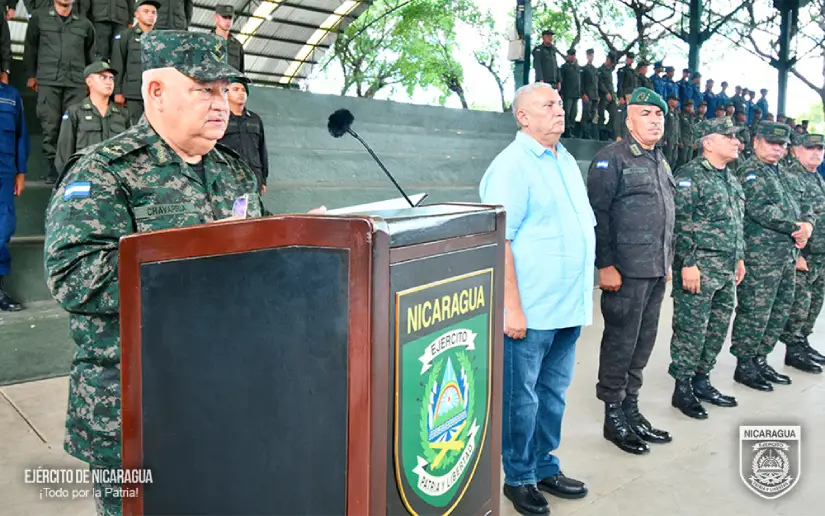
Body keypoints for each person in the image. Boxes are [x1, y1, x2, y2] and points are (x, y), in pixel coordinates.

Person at [44, 30, 324, 516]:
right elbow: (75, 275)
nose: (220, 103)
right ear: (156, 92)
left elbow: (258, 260)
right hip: (138, 409)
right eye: (203, 89)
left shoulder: (234, 171)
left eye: (224, 90)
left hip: (227, 398)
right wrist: (200, 257)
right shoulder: (107, 173)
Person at [479, 82, 593, 515]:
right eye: (548, 105)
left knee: (553, 394)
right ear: (523, 117)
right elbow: (498, 241)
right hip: (530, 308)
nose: (559, 111)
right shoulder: (512, 166)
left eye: (561, 104)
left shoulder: (563, 159)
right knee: (520, 400)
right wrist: (511, 306)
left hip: (567, 304)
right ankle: (520, 476)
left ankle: (545, 465)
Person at [587, 87, 675, 455]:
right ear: (629, 119)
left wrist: (667, 262)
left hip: (655, 270)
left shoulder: (660, 161)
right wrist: (605, 265)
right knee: (621, 342)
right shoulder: (612, 159)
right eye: (646, 114)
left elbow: (668, 217)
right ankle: (613, 414)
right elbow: (599, 215)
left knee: (643, 343)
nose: (654, 121)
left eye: (659, 115)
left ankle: (631, 407)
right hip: (624, 271)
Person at [669, 117, 746, 419]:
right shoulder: (690, 176)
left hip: (726, 268)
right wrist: (687, 263)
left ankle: (702, 380)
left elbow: (736, 223)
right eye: (728, 136)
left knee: (716, 328)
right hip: (699, 267)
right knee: (691, 328)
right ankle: (683, 387)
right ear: (709, 142)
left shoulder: (731, 178)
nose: (736, 142)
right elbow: (680, 222)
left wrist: (739, 257)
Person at [729, 121, 813, 391]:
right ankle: (745, 364)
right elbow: (758, 209)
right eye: (771, 143)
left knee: (778, 311)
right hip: (760, 257)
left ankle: (761, 359)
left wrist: (807, 225)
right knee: (755, 311)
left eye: (782, 145)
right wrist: (795, 227)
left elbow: (805, 205)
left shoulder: (786, 175)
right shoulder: (750, 172)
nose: (777, 149)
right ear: (756, 142)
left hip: (786, 256)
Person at [23, 0, 96, 183]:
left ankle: (71, 167)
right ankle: (53, 169)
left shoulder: (85, 23)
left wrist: (90, 80)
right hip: (49, 80)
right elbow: (30, 47)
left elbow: (91, 54)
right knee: (51, 124)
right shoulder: (39, 17)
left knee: (74, 126)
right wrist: (31, 75)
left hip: (76, 82)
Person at [780, 133, 825, 372]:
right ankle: (793, 348)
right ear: (796, 150)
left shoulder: (815, 177)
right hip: (803, 253)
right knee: (800, 302)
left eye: (820, 149)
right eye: (810, 149)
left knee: (814, 302)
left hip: (820, 252)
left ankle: (803, 340)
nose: (816, 153)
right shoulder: (790, 178)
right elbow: (789, 219)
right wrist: (796, 254)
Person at [55, 61, 131, 172]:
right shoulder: (75, 112)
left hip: (116, 180)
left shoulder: (123, 114)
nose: (109, 82)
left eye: (111, 78)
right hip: (84, 178)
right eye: (103, 77)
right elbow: (64, 155)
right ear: (89, 81)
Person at [0, 80, 29, 312]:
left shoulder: (11, 96)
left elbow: (21, 135)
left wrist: (21, 171)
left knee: (3, 229)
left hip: (5, 172)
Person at [111, 0, 160, 125]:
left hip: (156, 93)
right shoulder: (125, 36)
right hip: (133, 93)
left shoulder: (161, 38)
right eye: (146, 11)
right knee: (134, 128)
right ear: (136, 14)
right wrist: (118, 92)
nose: (150, 15)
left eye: (153, 12)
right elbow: (118, 64)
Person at [218, 77, 269, 193]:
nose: (241, 93)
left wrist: (263, 179)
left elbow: (262, 150)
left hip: (254, 176)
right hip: (227, 175)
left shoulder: (255, 119)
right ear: (226, 92)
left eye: (244, 90)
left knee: (253, 209)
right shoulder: (219, 117)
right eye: (236, 89)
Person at [213, 4, 244, 73]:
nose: (228, 21)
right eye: (224, 17)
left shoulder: (237, 45)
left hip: (232, 82)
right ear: (216, 18)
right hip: (212, 82)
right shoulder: (205, 41)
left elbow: (241, 73)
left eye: (230, 18)